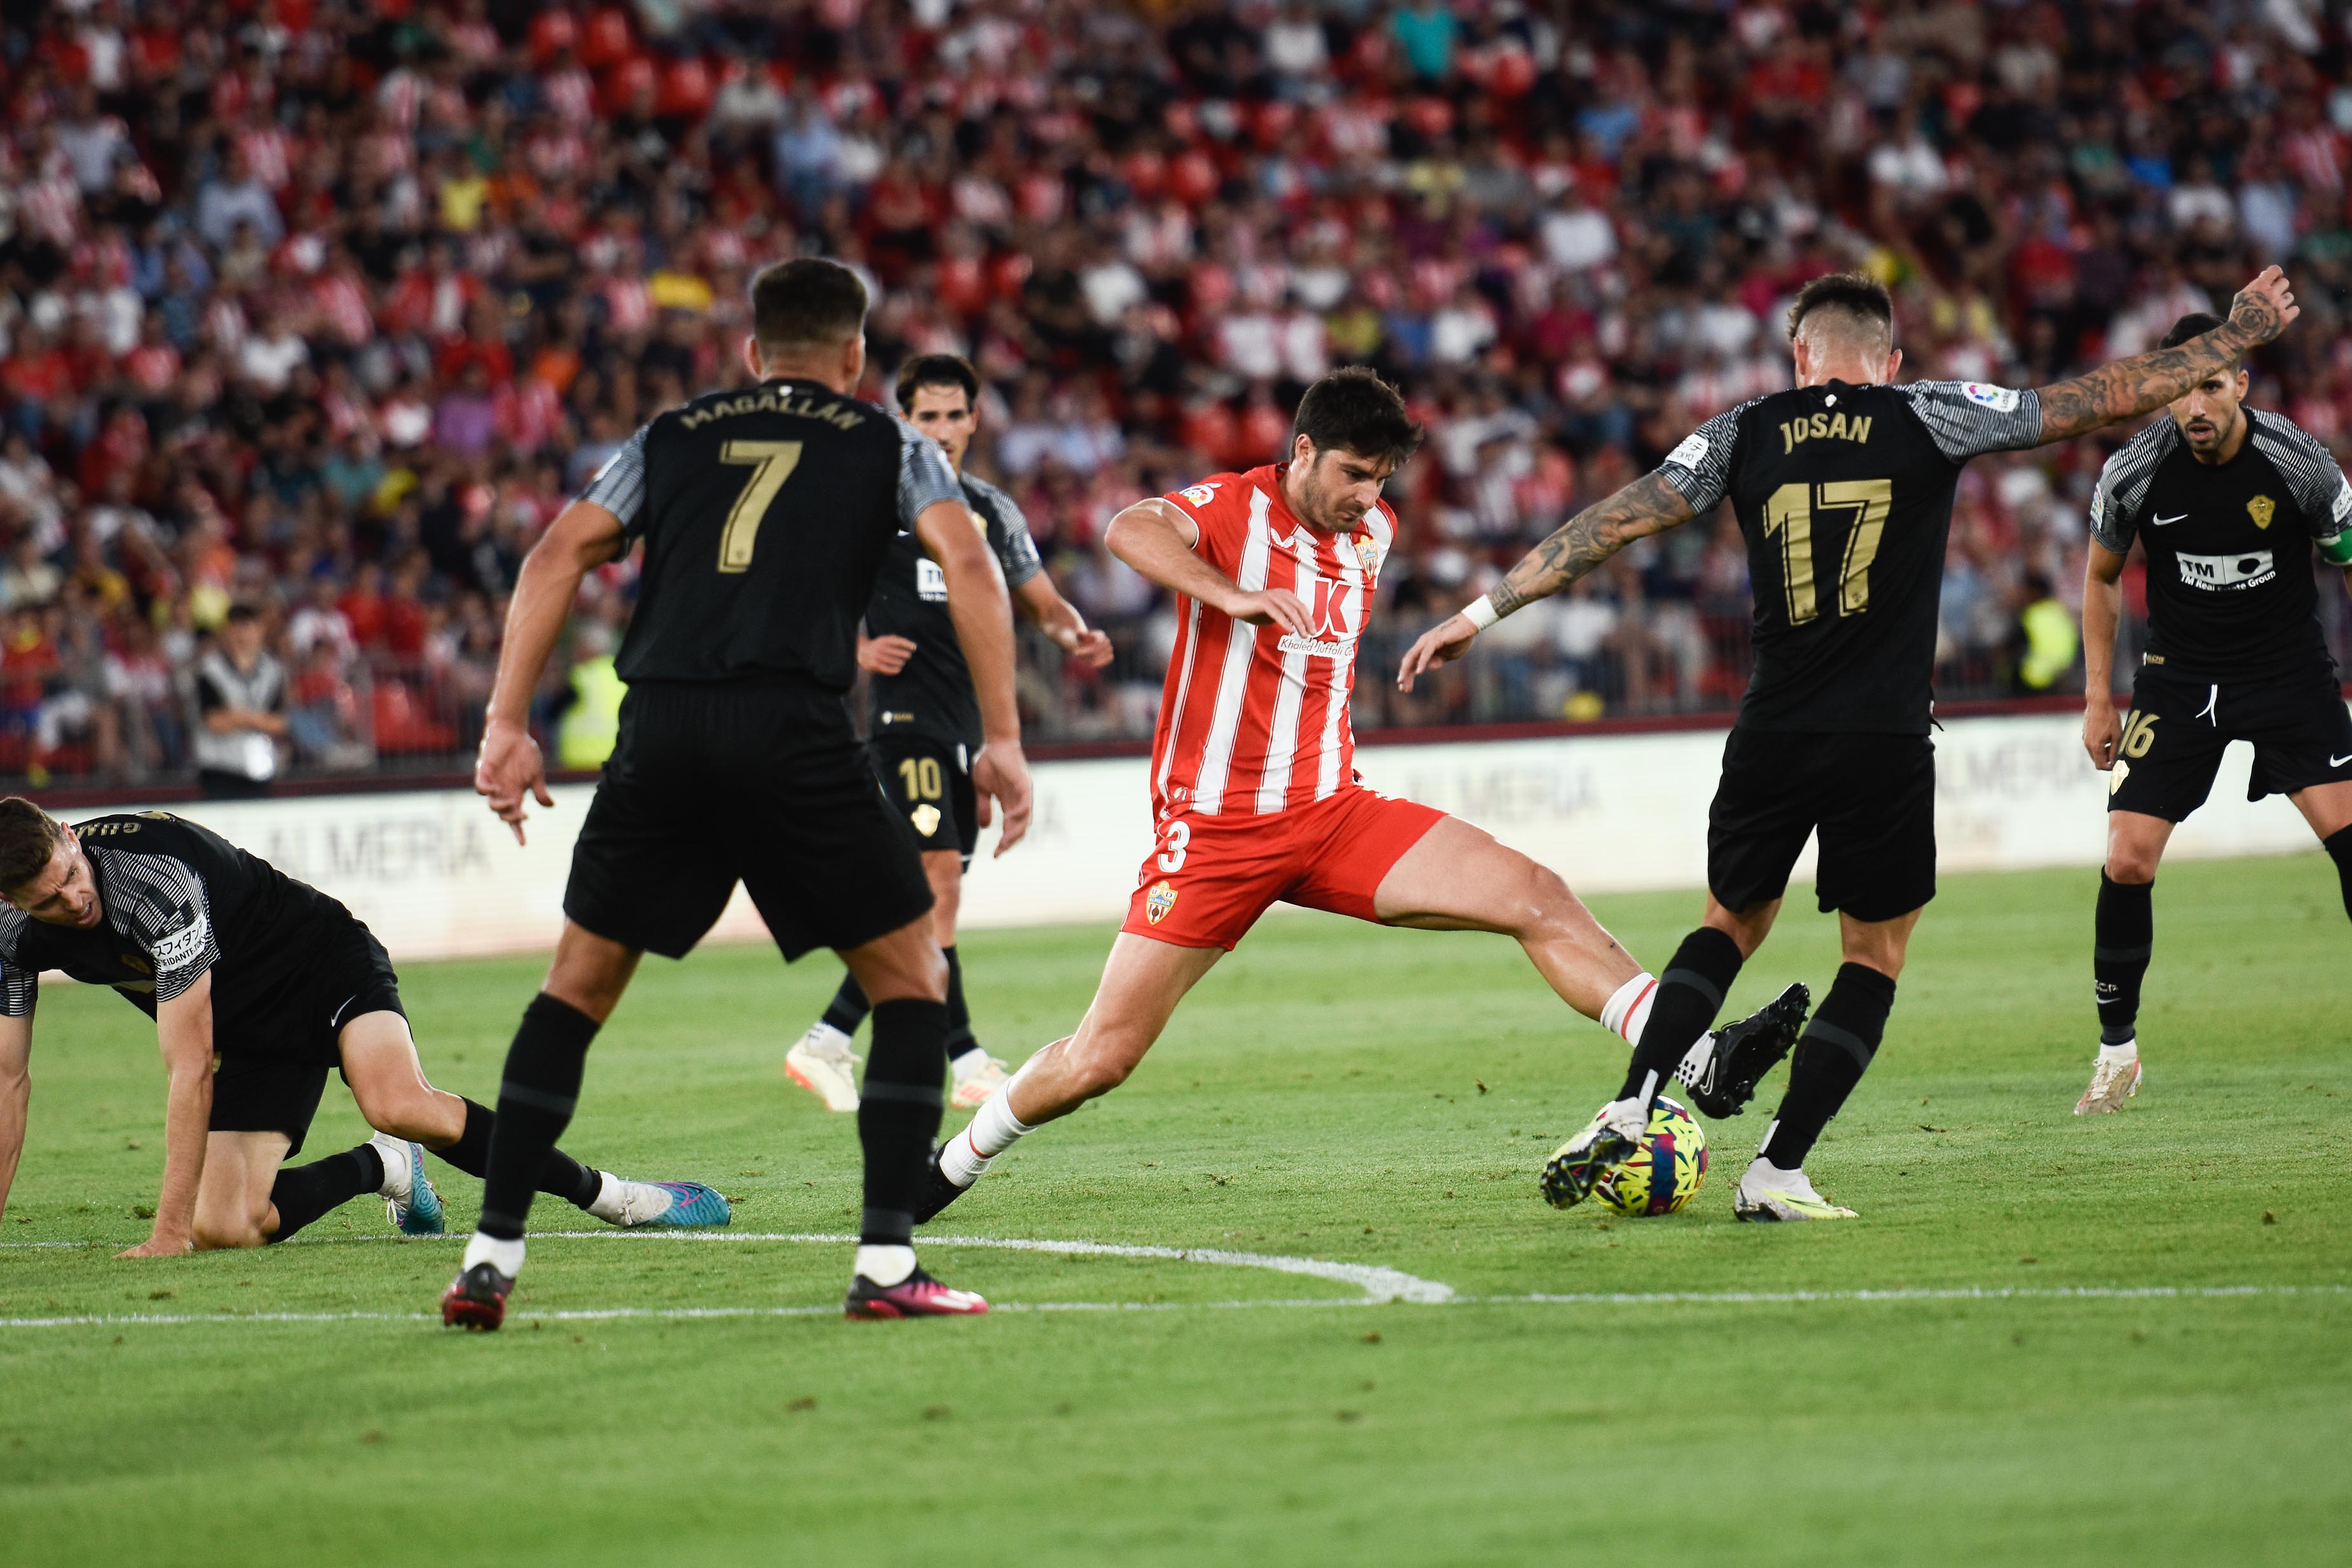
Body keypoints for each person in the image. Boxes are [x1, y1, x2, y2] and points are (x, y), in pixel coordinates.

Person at [1399, 266, 2299, 1220]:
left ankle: (1634, 1100)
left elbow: (1618, 519)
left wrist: (1482, 608)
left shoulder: (1743, 429)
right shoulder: (1932, 413)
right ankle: (1777, 1168)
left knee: (1725, 926)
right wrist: (2232, 337)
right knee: (1872, 956)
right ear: (1892, 360)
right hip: (1883, 734)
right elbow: (2094, 400)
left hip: (1774, 724)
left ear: (1799, 357)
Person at [913, 367, 1808, 1229]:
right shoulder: (1233, 507)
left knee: (1536, 894)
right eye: (1350, 472)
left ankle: (1696, 1055)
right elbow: (1126, 529)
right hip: (1218, 830)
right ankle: (952, 1164)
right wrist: (1235, 595)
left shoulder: (1372, 531)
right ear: (1301, 451)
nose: (1364, 494)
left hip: (1335, 812)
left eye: (1379, 478)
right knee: (1101, 1056)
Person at [453, 258, 1034, 1327]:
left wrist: (504, 723)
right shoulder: (890, 443)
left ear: (751, 352)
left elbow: (554, 553)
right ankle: (885, 1266)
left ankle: (489, 1254)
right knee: (912, 982)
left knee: (573, 990)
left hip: (662, 728)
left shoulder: (669, 436)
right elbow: (973, 564)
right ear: (858, 358)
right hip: (794, 731)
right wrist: (1001, 738)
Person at [0, 800, 726, 1254]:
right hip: (252, 1032)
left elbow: (189, 1071)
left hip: (323, 964)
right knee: (228, 1225)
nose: (75, 900)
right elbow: (9, 1079)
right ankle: (386, 1169)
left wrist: (166, 1233)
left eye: (72, 875)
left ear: (70, 835)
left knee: (398, 1103)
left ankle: (615, 1195)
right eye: (51, 901)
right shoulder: (10, 936)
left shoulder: (154, 882)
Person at [787, 353, 1113, 1115]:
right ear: (903, 420)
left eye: (952, 415)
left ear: (973, 419)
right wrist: (855, 652)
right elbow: (801, 597)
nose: (939, 429)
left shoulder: (988, 509)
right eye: (924, 415)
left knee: (918, 900)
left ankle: (828, 1039)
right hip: (903, 726)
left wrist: (1073, 634)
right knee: (938, 884)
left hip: (967, 733)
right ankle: (964, 1057)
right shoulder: (870, 504)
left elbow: (1040, 600)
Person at [2076, 311, 2352, 1114]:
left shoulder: (2299, 462)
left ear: (2240, 382)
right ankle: (2116, 1053)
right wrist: (2099, 697)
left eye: (2209, 385)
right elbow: (2098, 579)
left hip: (2287, 675)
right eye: (2177, 389)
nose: (2193, 406)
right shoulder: (2133, 469)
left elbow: (2347, 559)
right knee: (2126, 858)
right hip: (2178, 679)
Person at [192, 604, 285, 798]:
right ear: (228, 631)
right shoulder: (210, 670)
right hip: (219, 767)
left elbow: (279, 723)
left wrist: (238, 717)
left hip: (259, 766)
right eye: (237, 628)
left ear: (261, 630)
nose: (243, 635)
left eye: (249, 627)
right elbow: (214, 722)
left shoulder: (273, 671)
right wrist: (257, 720)